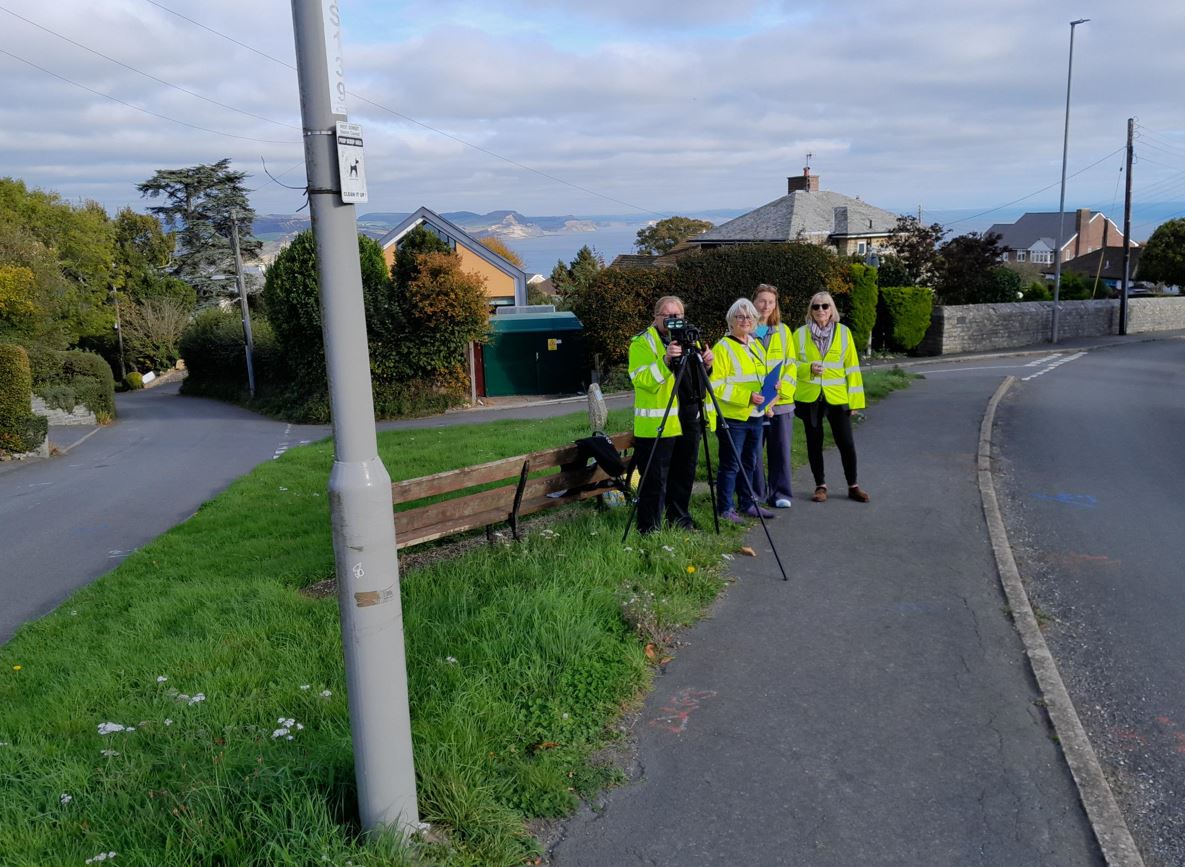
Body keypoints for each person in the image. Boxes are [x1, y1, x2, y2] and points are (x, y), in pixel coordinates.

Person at [627, 296, 713, 533]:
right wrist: (665, 360)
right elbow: (641, 380)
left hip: (687, 417)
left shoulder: (689, 340)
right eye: (668, 316)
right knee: (654, 480)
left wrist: (706, 365)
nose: (674, 320)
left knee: (684, 475)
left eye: (678, 316)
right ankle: (650, 529)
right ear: (656, 317)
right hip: (658, 422)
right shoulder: (642, 343)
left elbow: (695, 383)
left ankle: (679, 520)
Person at [792, 291, 870, 503]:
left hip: (837, 397)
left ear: (832, 309)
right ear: (811, 310)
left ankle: (853, 486)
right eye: (816, 306)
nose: (821, 310)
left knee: (846, 442)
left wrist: (855, 402)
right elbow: (791, 366)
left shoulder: (844, 333)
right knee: (813, 443)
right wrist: (808, 367)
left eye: (825, 306)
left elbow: (852, 369)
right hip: (810, 396)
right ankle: (820, 486)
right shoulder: (799, 334)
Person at [709, 298, 774, 524]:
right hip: (733, 417)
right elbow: (715, 386)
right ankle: (725, 508)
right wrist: (746, 397)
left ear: (755, 321)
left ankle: (747, 503)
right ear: (731, 321)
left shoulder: (755, 345)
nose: (745, 320)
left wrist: (771, 393)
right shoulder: (723, 347)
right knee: (730, 465)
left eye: (749, 317)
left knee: (750, 462)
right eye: (740, 316)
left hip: (756, 415)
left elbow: (760, 379)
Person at [752, 284, 797, 509]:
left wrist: (779, 392)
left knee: (780, 450)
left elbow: (791, 366)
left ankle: (780, 493)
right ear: (754, 302)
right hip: (755, 403)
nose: (766, 306)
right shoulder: (746, 329)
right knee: (754, 453)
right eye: (762, 301)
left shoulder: (784, 331)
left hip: (780, 403)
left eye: (771, 302)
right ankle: (756, 494)